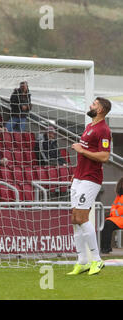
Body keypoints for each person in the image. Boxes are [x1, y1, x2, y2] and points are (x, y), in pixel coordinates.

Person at [67, 97, 112, 276]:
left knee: (82, 217)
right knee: (75, 219)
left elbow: (104, 157)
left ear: (101, 109)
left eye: (94, 104)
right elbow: (86, 154)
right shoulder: (89, 126)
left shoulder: (104, 130)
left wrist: (82, 150)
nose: (90, 106)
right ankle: (82, 261)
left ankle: (97, 260)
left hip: (91, 178)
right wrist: (76, 173)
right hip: (79, 177)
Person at [100, 177, 123, 254]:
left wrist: (114, 213)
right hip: (118, 219)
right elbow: (113, 206)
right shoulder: (119, 196)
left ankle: (105, 248)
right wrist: (114, 213)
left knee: (108, 223)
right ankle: (105, 248)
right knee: (107, 224)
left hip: (119, 219)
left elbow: (120, 209)